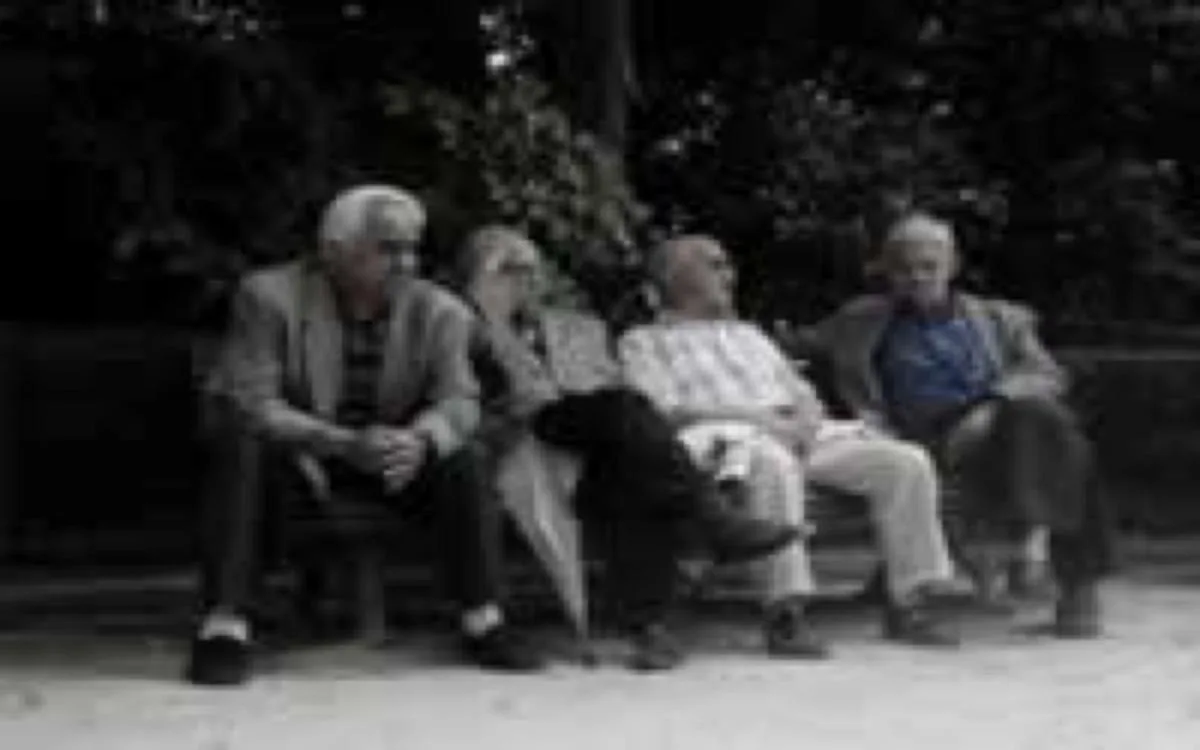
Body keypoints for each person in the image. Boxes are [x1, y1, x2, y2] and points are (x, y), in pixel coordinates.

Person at [186, 185, 543, 687]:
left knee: (463, 456)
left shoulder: (440, 309)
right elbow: (253, 401)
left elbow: (460, 400)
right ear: (332, 250)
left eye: (412, 248)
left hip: (394, 459)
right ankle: (225, 626)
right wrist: (340, 442)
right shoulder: (268, 296)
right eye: (388, 248)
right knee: (241, 442)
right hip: (302, 459)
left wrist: (419, 440)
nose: (406, 263)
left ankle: (485, 619)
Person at [458, 225, 800, 670]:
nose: (527, 279)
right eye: (510, 269)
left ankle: (649, 627)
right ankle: (714, 521)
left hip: (590, 428)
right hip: (526, 427)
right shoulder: (461, 321)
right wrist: (492, 310)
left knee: (635, 460)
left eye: (532, 269)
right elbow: (515, 394)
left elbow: (599, 379)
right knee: (628, 411)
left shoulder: (569, 324)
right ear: (479, 275)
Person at [619, 235, 960, 654]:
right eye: (715, 264)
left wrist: (806, 419)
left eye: (727, 264)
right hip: (727, 443)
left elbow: (799, 388)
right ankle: (784, 611)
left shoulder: (748, 335)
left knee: (905, 462)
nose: (730, 274)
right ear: (676, 277)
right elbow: (662, 411)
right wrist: (762, 422)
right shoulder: (642, 341)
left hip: (799, 435)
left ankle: (910, 603)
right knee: (773, 463)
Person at [817, 212, 1114, 638]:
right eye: (903, 268)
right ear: (885, 270)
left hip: (1001, 431)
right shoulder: (860, 320)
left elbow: (1047, 374)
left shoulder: (999, 318)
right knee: (1063, 439)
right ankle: (1061, 575)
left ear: (953, 266)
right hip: (918, 439)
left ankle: (1058, 572)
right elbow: (784, 350)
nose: (917, 278)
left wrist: (992, 405)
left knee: (1049, 424)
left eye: (929, 266)